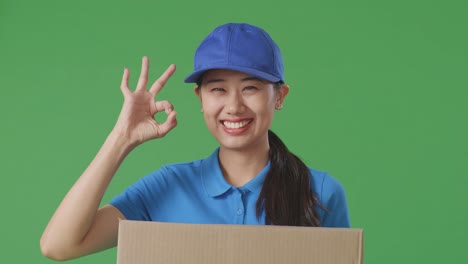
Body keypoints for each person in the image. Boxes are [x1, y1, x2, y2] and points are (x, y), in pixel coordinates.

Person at [40, 23, 350, 261]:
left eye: (250, 88)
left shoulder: (321, 192)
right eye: (217, 89)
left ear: (279, 96)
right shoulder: (168, 186)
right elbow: (59, 245)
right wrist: (121, 139)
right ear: (199, 98)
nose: (234, 106)